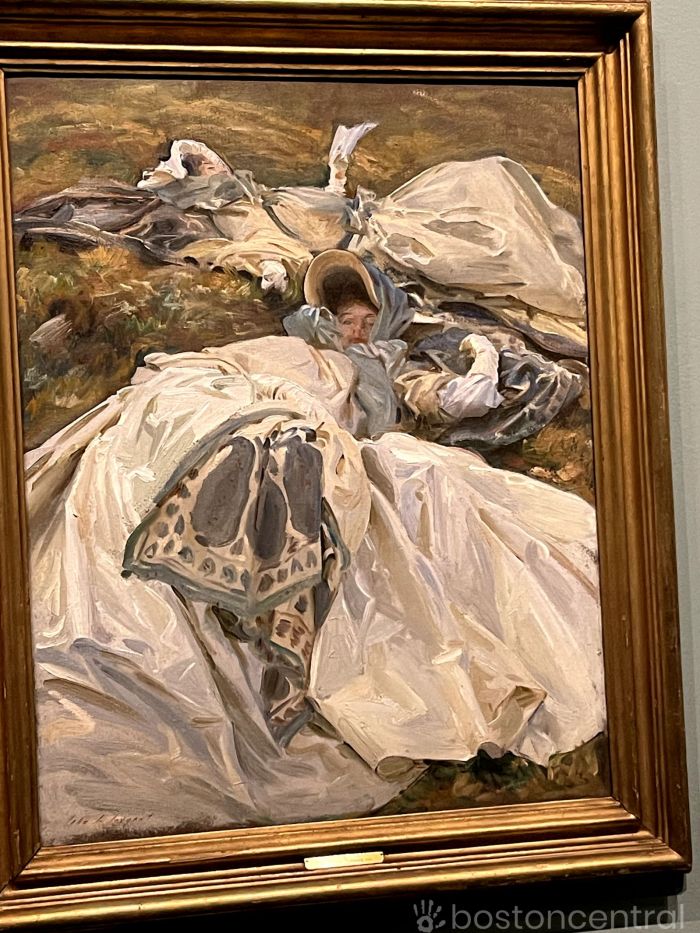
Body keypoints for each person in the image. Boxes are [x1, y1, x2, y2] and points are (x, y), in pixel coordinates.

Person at [26, 250, 606, 845]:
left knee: (417, 482)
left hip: (343, 455)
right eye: (345, 320)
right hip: (269, 411)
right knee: (229, 432)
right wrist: (278, 402)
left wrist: (480, 356)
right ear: (325, 317)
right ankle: (247, 479)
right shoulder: (293, 348)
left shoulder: (391, 368)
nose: (354, 332)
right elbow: (223, 368)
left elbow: (461, 401)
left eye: (365, 321)